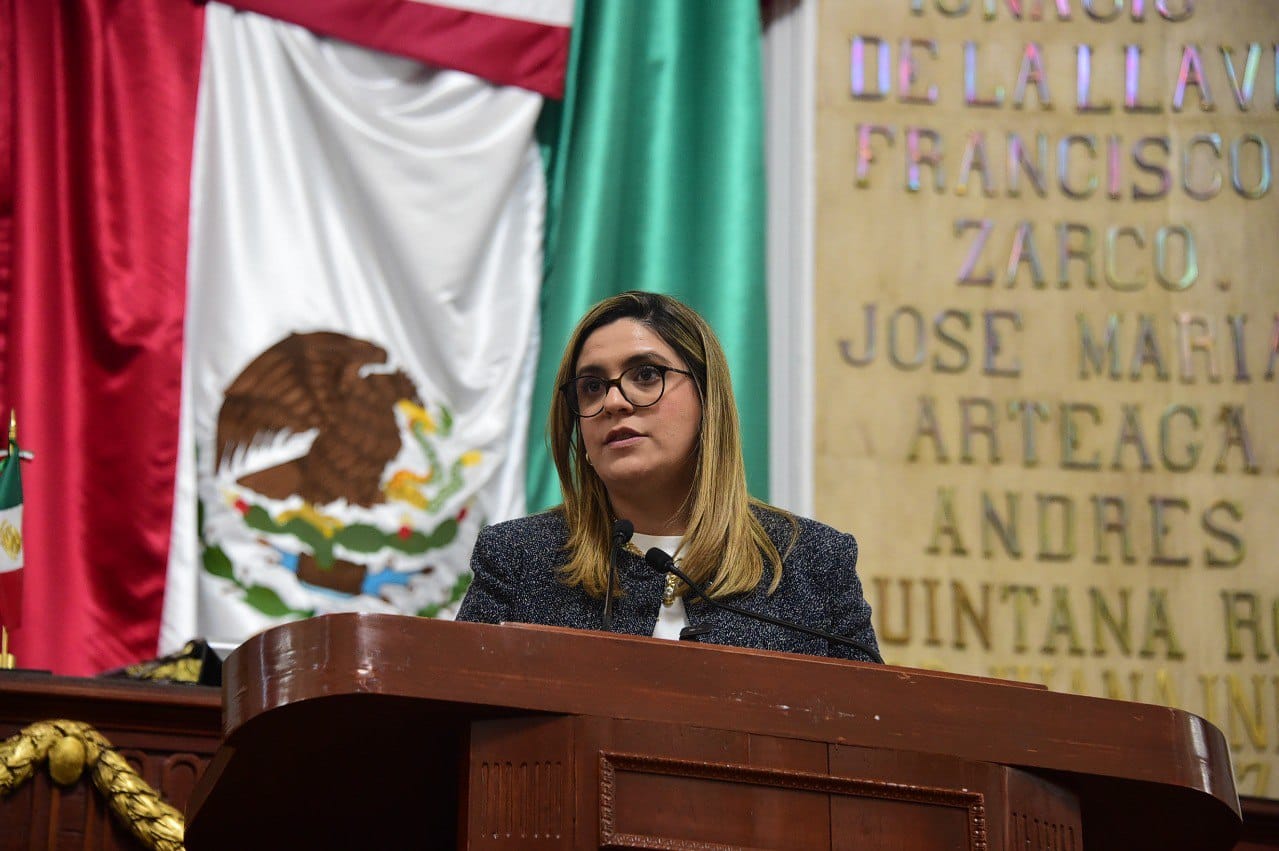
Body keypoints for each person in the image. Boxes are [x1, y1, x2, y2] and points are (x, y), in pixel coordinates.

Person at [456, 291, 880, 663]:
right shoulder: (518, 558)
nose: (614, 402)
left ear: (707, 400)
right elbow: (455, 718)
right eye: (592, 386)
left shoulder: (812, 562)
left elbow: (870, 722)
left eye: (646, 375)